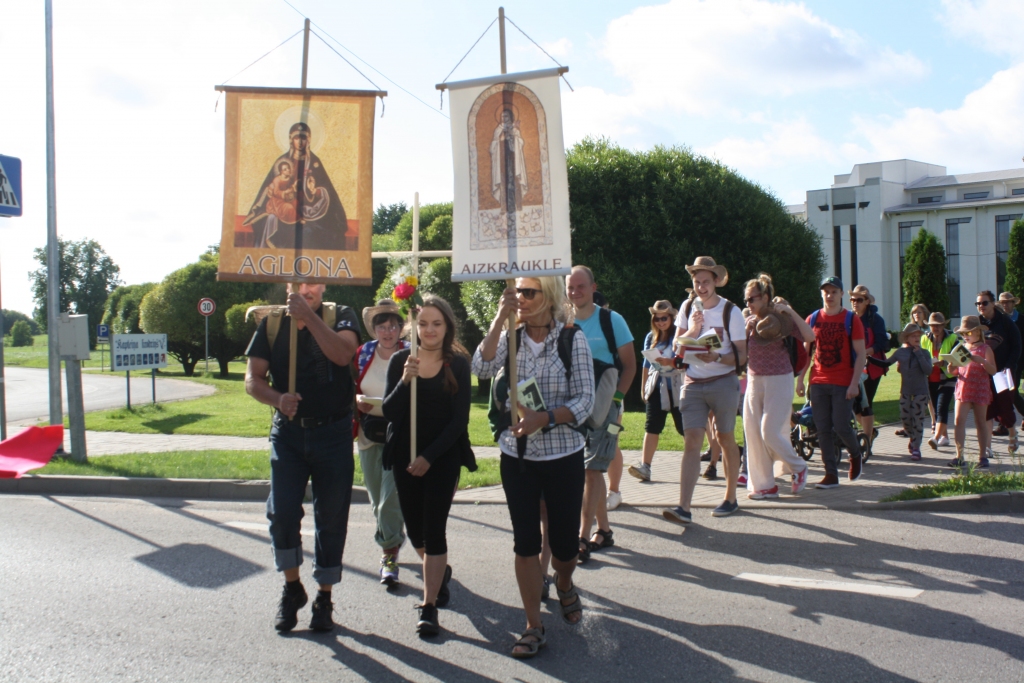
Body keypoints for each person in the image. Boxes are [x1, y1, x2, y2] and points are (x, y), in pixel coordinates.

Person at [473, 276, 595, 658]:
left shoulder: (571, 338)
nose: (520, 299)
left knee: (564, 547)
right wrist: (499, 318)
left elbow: (586, 400)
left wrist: (547, 417)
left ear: (549, 296)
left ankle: (564, 580)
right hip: (518, 456)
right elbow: (480, 367)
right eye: (516, 293)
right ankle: (532, 625)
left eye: (528, 292)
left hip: (563, 455)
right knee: (525, 542)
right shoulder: (510, 336)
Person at [244, 283, 361, 633]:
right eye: (298, 283)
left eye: (312, 282)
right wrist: (277, 399)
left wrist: (308, 317)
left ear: (323, 285)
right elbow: (253, 379)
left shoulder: (341, 315)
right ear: (287, 285)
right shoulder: (272, 323)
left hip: (333, 433)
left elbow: (343, 355)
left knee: (331, 516)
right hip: (289, 434)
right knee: (281, 512)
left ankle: (324, 596)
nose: (305, 289)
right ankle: (292, 587)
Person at [382, 296, 475, 637]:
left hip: (442, 457)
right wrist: (405, 380)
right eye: (423, 324)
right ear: (413, 326)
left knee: (434, 531)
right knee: (417, 533)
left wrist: (429, 457)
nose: (430, 330)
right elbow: (389, 412)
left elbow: (459, 421)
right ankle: (438, 570)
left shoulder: (458, 364)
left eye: (436, 323)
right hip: (405, 458)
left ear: (447, 326)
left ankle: (429, 606)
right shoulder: (400, 361)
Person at [659, 256, 747, 524]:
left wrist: (717, 357)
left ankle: (730, 498)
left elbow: (742, 356)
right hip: (693, 382)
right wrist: (695, 328)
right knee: (692, 442)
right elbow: (677, 346)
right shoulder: (687, 307)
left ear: (716, 281)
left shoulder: (730, 311)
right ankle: (684, 507)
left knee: (725, 437)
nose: (701, 287)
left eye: (706, 282)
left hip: (723, 381)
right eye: (697, 282)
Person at [565, 266, 635, 557]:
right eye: (570, 287)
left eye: (581, 286)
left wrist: (616, 401)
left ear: (593, 288)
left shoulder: (611, 320)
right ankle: (603, 531)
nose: (575, 292)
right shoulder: (562, 321)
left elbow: (630, 366)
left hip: (605, 406)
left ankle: (582, 537)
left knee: (591, 469)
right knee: (587, 471)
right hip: (571, 406)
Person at [741, 275, 814, 498]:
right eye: (746, 300)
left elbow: (810, 335)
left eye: (752, 299)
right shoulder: (748, 320)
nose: (748, 304)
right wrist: (745, 330)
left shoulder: (780, 318)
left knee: (769, 431)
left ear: (765, 297)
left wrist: (790, 311)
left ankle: (798, 466)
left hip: (780, 379)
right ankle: (765, 486)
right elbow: (738, 353)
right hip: (754, 380)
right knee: (754, 433)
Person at [355, 300, 409, 588]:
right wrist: (357, 401)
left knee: (390, 498)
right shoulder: (363, 353)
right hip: (368, 433)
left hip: (399, 434)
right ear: (374, 329)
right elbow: (349, 386)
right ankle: (393, 537)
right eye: (382, 327)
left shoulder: (410, 353)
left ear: (401, 328)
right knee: (377, 500)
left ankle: (389, 555)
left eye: (392, 326)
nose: (387, 332)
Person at [796, 276, 866, 489]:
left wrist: (854, 383)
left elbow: (861, 354)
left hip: (843, 381)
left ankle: (855, 453)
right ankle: (831, 474)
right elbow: (807, 353)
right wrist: (801, 380)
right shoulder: (813, 319)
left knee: (842, 425)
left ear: (841, 294)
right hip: (818, 381)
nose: (830, 295)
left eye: (834, 291)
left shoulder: (851, 319)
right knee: (822, 428)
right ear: (822, 294)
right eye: (826, 291)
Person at [244, 122, 350, 250]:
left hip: (309, 208)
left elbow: (327, 189)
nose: (300, 142)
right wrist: (272, 192)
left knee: (316, 230)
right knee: (271, 220)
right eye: (296, 138)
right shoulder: (283, 162)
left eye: (303, 138)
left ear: (308, 140)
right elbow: (270, 186)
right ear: (291, 140)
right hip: (284, 207)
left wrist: (315, 191)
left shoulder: (315, 163)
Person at [628, 300, 684, 482]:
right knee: (652, 426)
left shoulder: (679, 335)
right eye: (657, 319)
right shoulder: (650, 338)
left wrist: (670, 362)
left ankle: (693, 464)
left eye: (664, 318)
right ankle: (645, 467)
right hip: (656, 386)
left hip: (677, 386)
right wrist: (644, 389)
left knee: (685, 428)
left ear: (672, 318)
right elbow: (646, 365)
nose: (660, 322)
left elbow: (685, 361)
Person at [867, 324, 935, 460]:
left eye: (918, 336)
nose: (916, 338)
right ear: (906, 338)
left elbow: (928, 370)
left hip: (921, 392)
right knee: (905, 419)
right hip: (906, 391)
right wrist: (869, 359)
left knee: (918, 420)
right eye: (913, 336)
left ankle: (916, 448)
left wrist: (919, 354)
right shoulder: (900, 352)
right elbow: (886, 363)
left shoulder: (925, 353)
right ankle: (912, 437)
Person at [949, 316, 997, 469]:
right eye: (963, 334)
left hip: (980, 388)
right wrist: (951, 367)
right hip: (964, 387)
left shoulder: (985, 348)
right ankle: (959, 456)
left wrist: (981, 361)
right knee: (958, 420)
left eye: (968, 333)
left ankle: (983, 456)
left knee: (981, 422)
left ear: (977, 332)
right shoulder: (962, 348)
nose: (965, 336)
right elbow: (956, 371)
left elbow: (993, 370)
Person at [977, 291, 1021, 454]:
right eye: (978, 304)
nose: (981, 306)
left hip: (1002, 372)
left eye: (984, 303)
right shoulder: (977, 323)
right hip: (984, 372)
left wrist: (1009, 366)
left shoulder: (1005, 322)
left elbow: (1017, 346)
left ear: (993, 304)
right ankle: (987, 447)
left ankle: (1012, 434)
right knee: (987, 408)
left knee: (1004, 405)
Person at [850, 285, 887, 455]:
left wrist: (865, 352)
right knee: (853, 405)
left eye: (859, 300)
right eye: (852, 299)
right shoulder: (849, 319)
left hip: (872, 368)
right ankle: (870, 432)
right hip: (853, 367)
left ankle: (867, 443)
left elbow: (882, 343)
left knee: (866, 403)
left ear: (866, 302)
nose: (855, 303)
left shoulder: (875, 320)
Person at [921, 313, 959, 449]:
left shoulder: (953, 338)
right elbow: (921, 355)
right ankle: (945, 437)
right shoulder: (924, 338)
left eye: (938, 325)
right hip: (931, 378)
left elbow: (959, 359)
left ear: (943, 325)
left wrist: (944, 363)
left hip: (948, 378)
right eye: (932, 325)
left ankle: (936, 438)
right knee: (937, 409)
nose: (935, 328)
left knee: (942, 407)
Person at [996, 292, 1024, 430]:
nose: (1005, 305)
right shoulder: (998, 321)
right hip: (1000, 361)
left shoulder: (1021, 320)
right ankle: (1004, 424)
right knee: (1002, 392)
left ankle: (1004, 425)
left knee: (1011, 392)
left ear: (1013, 303)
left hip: (1017, 361)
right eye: (1002, 303)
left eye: (1007, 302)